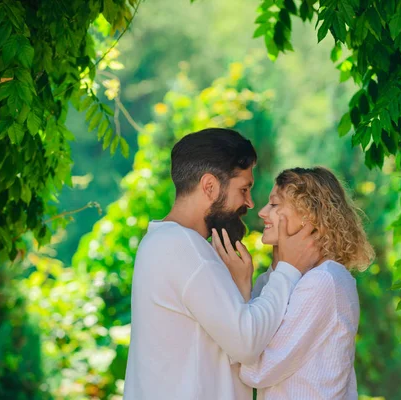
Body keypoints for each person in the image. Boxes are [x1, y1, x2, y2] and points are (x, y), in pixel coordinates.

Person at [123, 128, 321, 400]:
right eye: (244, 189)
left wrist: (241, 286)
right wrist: (289, 269)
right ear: (210, 186)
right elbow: (246, 344)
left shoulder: (165, 243)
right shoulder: (182, 247)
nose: (250, 203)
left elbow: (227, 344)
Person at [213, 167, 375, 400]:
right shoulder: (276, 279)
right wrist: (243, 282)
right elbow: (248, 338)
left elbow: (257, 371)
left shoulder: (324, 281)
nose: (262, 212)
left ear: (309, 214)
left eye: (275, 205)